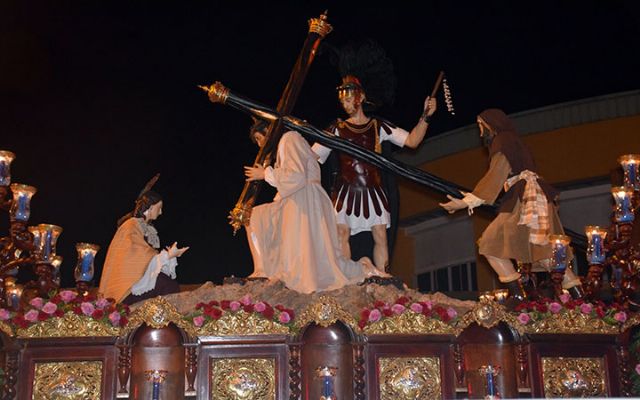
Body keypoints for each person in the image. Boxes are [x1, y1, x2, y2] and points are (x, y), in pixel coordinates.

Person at [312, 40, 436, 272]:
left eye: (348, 98)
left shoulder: (378, 126)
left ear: (359, 97)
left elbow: (412, 141)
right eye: (342, 99)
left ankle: (383, 277)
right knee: (342, 233)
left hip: (373, 189)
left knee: (380, 233)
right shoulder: (336, 129)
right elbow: (311, 156)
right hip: (344, 190)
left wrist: (425, 117)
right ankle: (346, 275)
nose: (345, 103)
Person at [440, 109, 584, 300]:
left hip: (524, 199)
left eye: (481, 125)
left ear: (491, 125)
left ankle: (518, 297)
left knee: (490, 243)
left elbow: (497, 174)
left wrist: (466, 201)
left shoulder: (503, 141)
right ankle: (580, 299)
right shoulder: (513, 140)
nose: (480, 130)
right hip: (533, 197)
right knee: (547, 254)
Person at [243, 120, 388, 294]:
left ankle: (262, 271)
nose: (260, 144)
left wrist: (265, 173)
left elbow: (295, 177)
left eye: (260, 138)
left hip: (304, 201)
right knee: (321, 257)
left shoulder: (289, 139)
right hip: (302, 199)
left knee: (252, 217)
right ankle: (362, 268)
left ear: (269, 130)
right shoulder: (288, 142)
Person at [98, 177, 189, 304]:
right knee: (167, 285)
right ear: (150, 208)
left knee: (168, 283)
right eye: (159, 208)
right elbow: (135, 252)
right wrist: (166, 256)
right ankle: (166, 321)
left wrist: (167, 257)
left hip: (140, 278)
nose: (161, 212)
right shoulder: (131, 225)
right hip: (127, 286)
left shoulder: (145, 228)